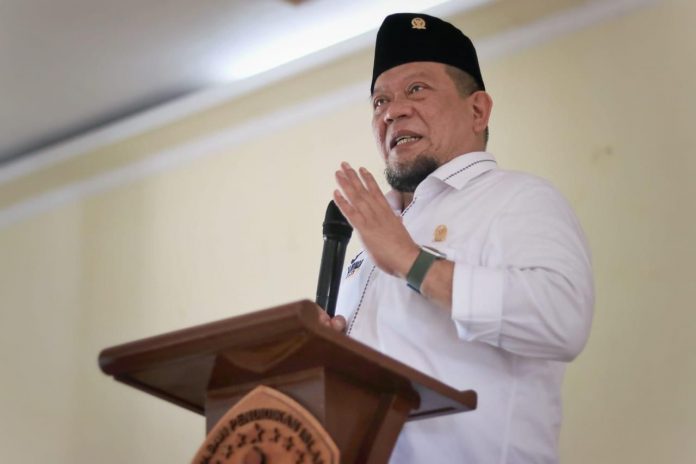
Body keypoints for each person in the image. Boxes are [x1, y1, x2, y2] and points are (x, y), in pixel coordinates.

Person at [319, 12, 594, 464]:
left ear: (477, 110)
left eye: (416, 89)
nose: (392, 111)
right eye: (379, 100)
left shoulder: (517, 198)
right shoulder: (372, 234)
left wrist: (413, 263)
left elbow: (563, 319)